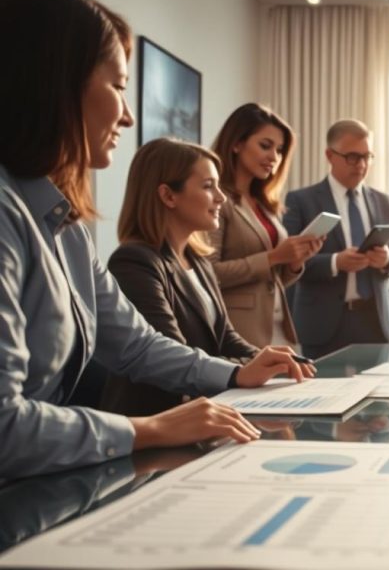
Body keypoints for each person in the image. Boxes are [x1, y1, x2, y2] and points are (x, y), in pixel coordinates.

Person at [0, 0, 309, 480]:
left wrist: (233, 372)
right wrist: (146, 430)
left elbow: (136, 345)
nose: (127, 114)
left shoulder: (68, 227)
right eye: (119, 87)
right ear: (59, 84)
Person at [101, 139, 315, 416]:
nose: (221, 197)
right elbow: (173, 356)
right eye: (207, 186)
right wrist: (243, 370)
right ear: (168, 196)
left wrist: (267, 360)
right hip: (158, 418)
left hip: (206, 408)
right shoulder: (134, 263)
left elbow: (227, 338)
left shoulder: (199, 261)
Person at [282, 119, 389, 359]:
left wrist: (387, 259)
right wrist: (335, 262)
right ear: (330, 155)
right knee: (323, 395)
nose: (361, 165)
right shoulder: (300, 201)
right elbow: (287, 263)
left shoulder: (385, 202)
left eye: (367, 156)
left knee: (380, 395)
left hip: (375, 321)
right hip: (322, 325)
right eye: (353, 157)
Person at [208, 103, 323, 348]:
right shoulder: (218, 201)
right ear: (236, 143)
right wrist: (273, 257)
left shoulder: (264, 205)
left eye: (280, 150)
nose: (274, 157)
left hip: (278, 328)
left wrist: (294, 262)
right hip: (241, 333)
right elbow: (209, 273)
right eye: (265, 146)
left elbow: (272, 279)